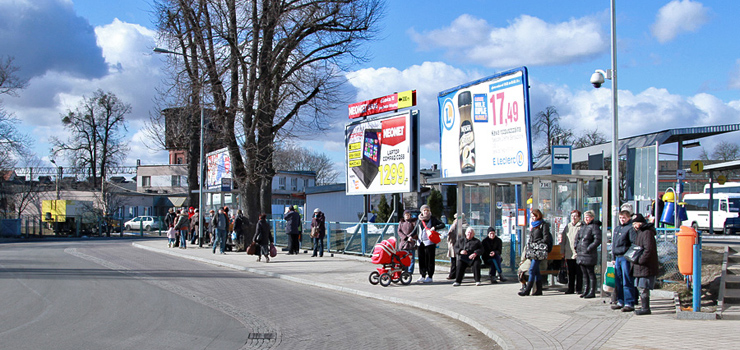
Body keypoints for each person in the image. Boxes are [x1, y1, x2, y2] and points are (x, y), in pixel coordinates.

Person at [631, 213, 659, 315]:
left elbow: (648, 250)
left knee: (643, 287)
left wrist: (640, 260)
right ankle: (644, 306)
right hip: (640, 265)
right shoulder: (640, 232)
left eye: (636, 223)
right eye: (633, 223)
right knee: (640, 286)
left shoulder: (647, 233)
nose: (634, 225)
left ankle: (645, 308)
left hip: (645, 265)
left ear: (641, 223)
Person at [519, 209, 551, 296]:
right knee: (536, 271)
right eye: (531, 216)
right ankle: (539, 290)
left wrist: (538, 243)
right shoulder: (533, 226)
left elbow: (546, 238)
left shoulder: (543, 225)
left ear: (538, 216)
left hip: (539, 251)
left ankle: (527, 290)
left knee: (532, 269)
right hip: (533, 251)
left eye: (534, 216)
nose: (532, 218)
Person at [611, 209, 639, 311]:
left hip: (625, 257)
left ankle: (629, 302)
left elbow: (633, 243)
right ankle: (620, 301)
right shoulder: (617, 228)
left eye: (624, 218)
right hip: (617, 257)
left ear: (628, 218)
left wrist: (629, 256)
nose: (622, 220)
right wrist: (613, 257)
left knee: (627, 280)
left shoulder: (630, 229)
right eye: (621, 218)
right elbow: (614, 244)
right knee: (618, 281)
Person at [411, 204, 446, 283]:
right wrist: (410, 236)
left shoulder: (432, 219)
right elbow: (416, 229)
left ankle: (430, 276)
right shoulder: (419, 220)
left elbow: (442, 225)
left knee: (430, 259)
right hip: (420, 241)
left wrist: (435, 227)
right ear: (421, 211)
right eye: (424, 210)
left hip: (430, 242)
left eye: (427, 210)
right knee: (421, 259)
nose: (426, 212)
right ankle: (422, 275)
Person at [576, 210, 602, 299]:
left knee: (590, 272)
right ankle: (585, 290)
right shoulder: (582, 227)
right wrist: (576, 246)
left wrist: (589, 248)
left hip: (589, 254)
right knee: (584, 273)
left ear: (592, 218)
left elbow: (597, 239)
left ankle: (592, 291)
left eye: (588, 217)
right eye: (585, 217)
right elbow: (577, 237)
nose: (586, 219)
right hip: (581, 253)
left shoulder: (594, 227)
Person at [560, 210, 583, 294]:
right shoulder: (568, 226)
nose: (573, 218)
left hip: (578, 253)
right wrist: (562, 251)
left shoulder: (581, 226)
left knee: (579, 272)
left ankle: (579, 288)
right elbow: (563, 240)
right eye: (572, 216)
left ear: (579, 217)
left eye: (575, 216)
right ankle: (570, 288)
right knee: (571, 272)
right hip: (569, 253)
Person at [446, 213, 467, 280]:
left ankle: (459, 274)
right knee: (453, 261)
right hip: (453, 244)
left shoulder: (465, 225)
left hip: (462, 245)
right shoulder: (454, 224)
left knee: (460, 260)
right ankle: (452, 274)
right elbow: (450, 233)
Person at [397, 209, 417, 274]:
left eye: (408, 215)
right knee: (403, 257)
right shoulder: (401, 222)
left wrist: (411, 236)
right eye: (406, 215)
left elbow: (415, 231)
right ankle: (404, 270)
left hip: (411, 243)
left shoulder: (413, 222)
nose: (407, 216)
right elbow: (399, 231)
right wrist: (405, 237)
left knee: (411, 258)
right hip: (404, 243)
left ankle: (410, 271)